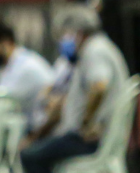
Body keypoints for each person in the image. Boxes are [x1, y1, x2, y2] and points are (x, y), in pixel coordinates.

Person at [20, 9, 130, 173]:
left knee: (30, 156)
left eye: (65, 34)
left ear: (78, 32)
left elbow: (99, 87)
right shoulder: (95, 49)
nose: (64, 41)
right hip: (90, 135)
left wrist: (86, 123)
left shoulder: (95, 50)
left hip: (89, 139)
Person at [0, 21, 54, 117]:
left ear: (6, 42)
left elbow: (1, 106)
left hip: (41, 128)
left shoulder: (26, 67)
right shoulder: (6, 67)